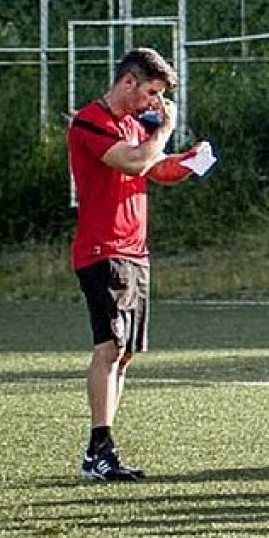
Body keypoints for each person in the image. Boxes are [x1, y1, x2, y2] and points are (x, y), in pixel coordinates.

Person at [67, 48, 205, 481]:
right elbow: (134, 161)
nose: (153, 103)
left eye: (158, 96)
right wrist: (163, 129)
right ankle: (98, 448)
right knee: (109, 348)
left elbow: (153, 169)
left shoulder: (131, 125)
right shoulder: (91, 120)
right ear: (128, 82)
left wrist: (190, 163)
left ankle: (101, 451)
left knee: (123, 354)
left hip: (134, 252)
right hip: (102, 250)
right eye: (151, 92)